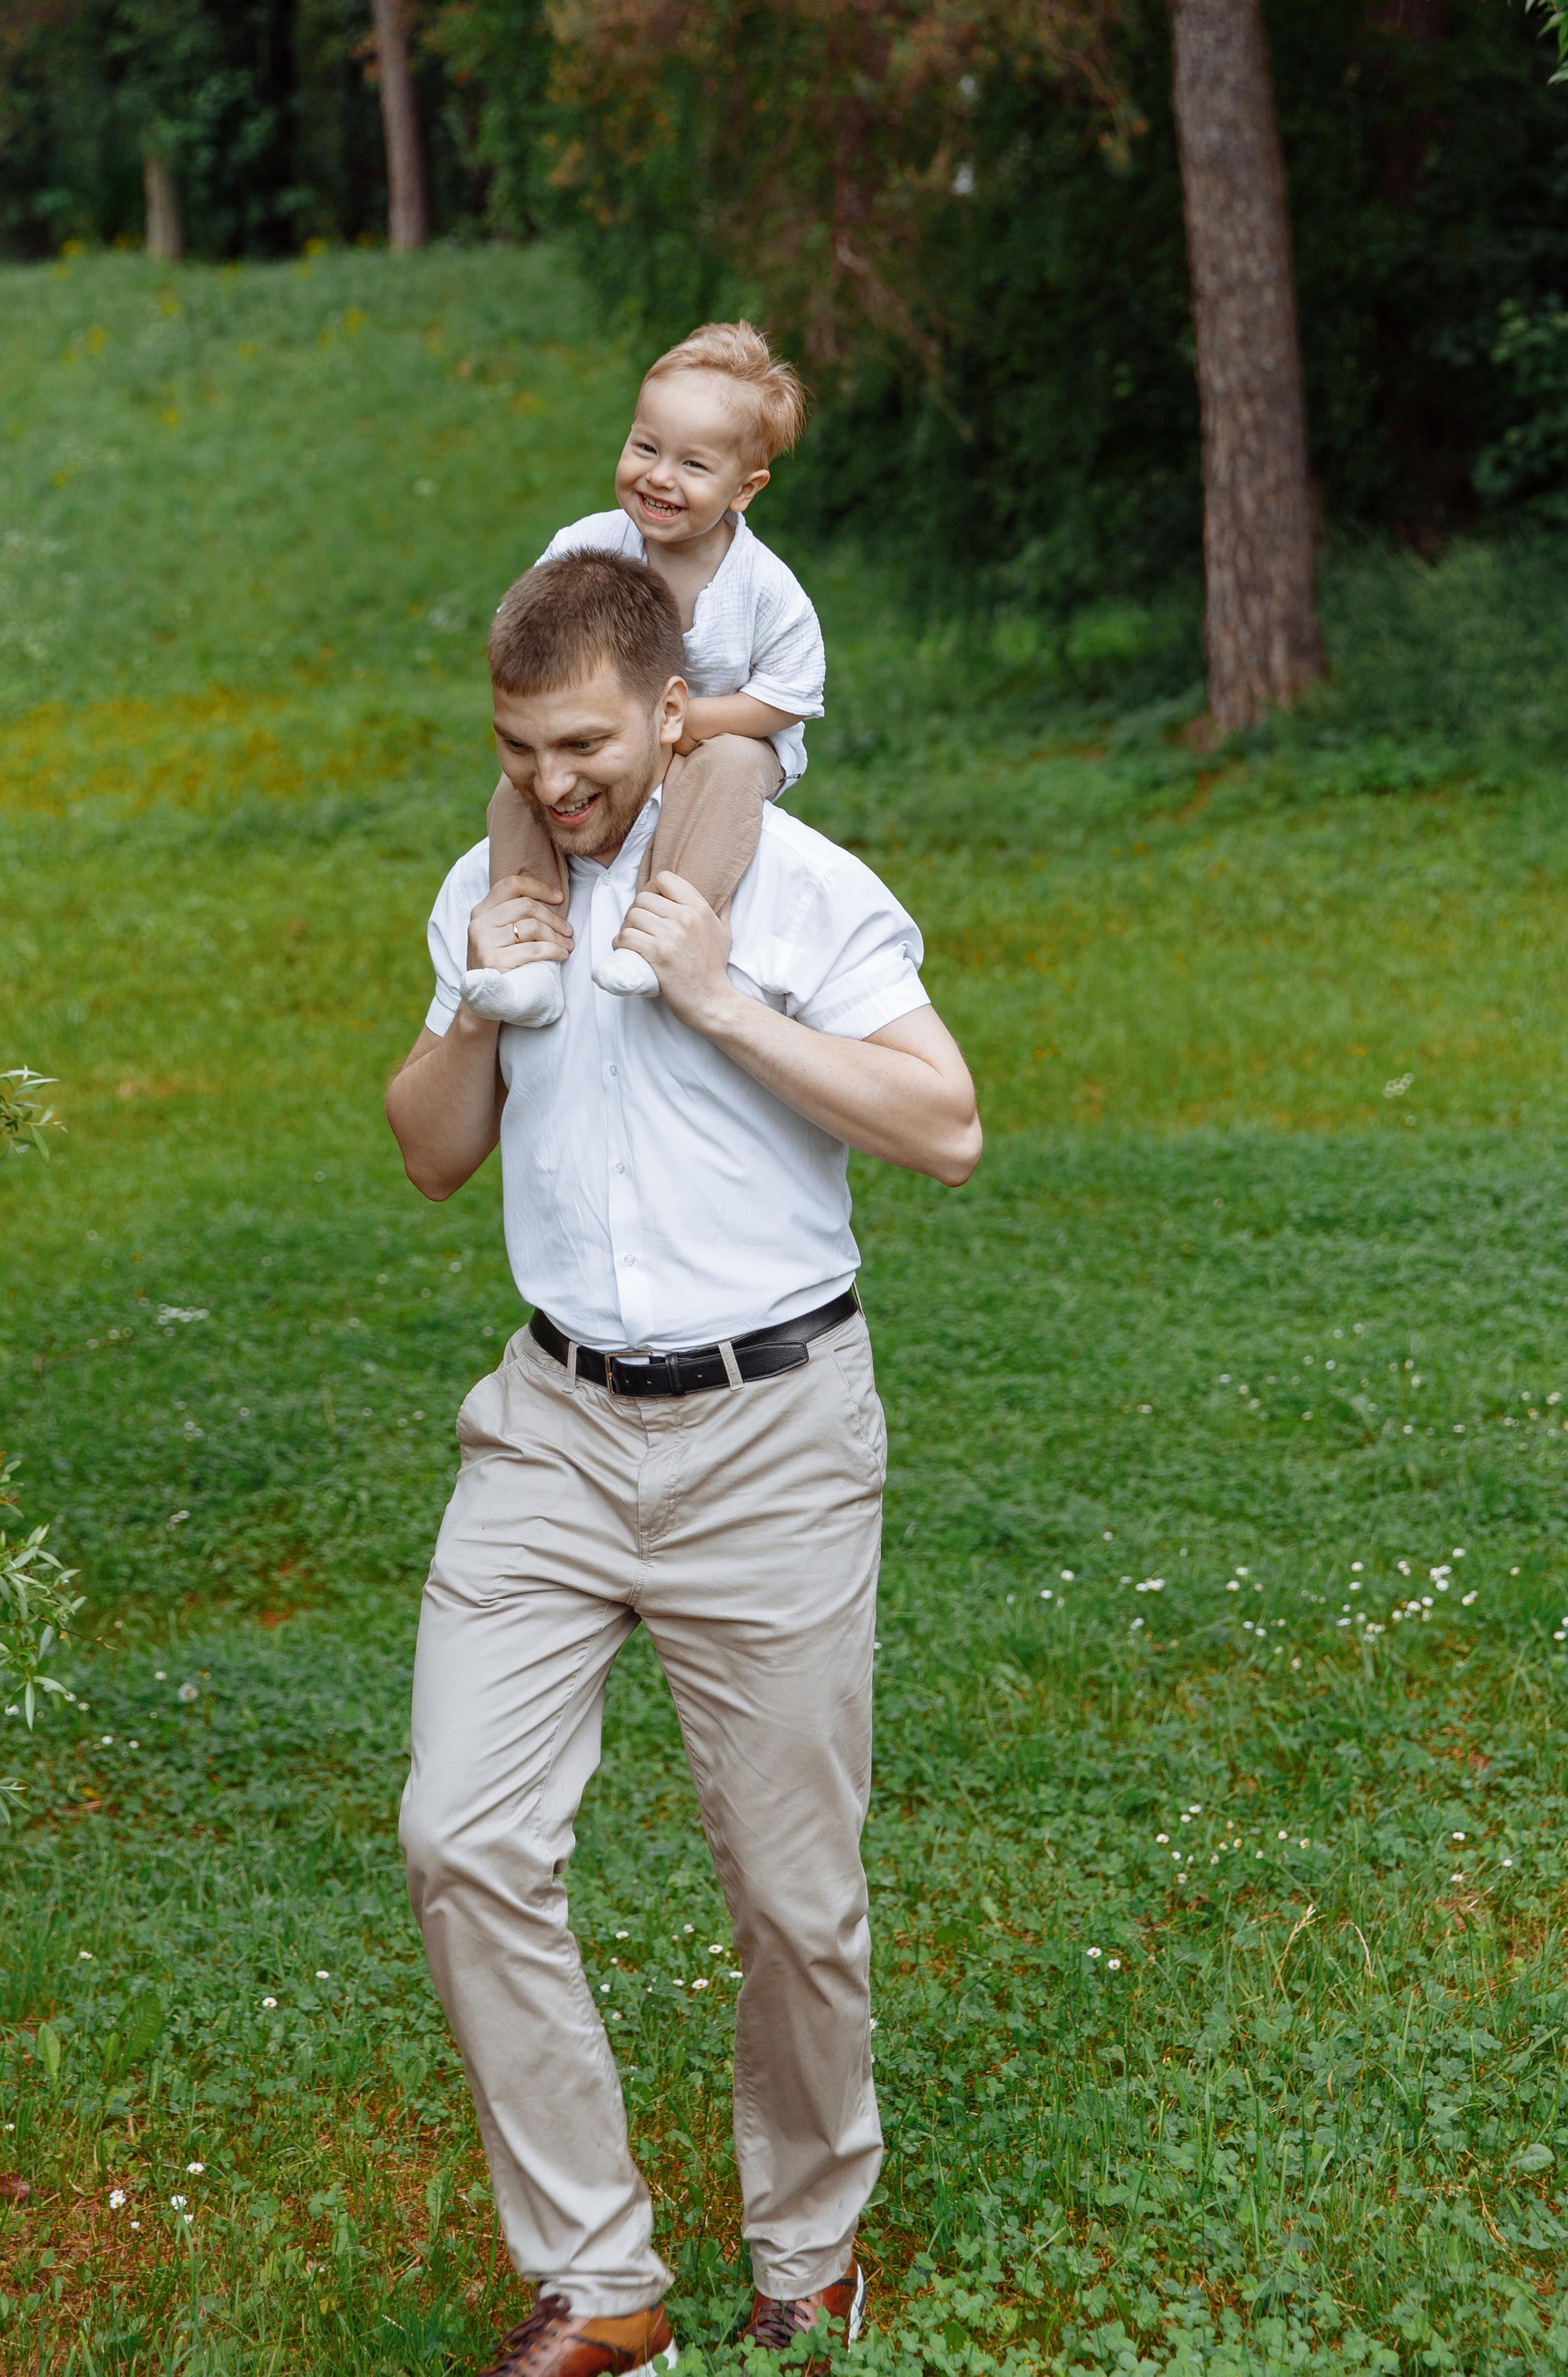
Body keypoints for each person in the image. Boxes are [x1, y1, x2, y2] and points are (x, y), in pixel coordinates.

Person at [386, 548, 981, 2377]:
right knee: (458, 1831)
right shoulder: (489, 890)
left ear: (667, 711)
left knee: (791, 1896)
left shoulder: (793, 885)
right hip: (550, 1430)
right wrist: (481, 1001)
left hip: (768, 1436)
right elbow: (426, 1151)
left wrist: (722, 996)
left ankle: (806, 2251)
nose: (553, 783)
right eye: (517, 748)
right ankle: (601, 2280)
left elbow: (945, 1124)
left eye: (582, 743)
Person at [456, 321, 825, 1031]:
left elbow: (787, 699)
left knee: (727, 771)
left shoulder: (766, 589)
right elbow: (528, 633)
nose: (659, 476)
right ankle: (528, 956)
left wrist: (683, 726)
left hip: (722, 737)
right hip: (611, 738)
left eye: (693, 465)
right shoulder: (587, 543)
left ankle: (664, 935)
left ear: (745, 489)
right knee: (521, 787)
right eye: (645, 447)